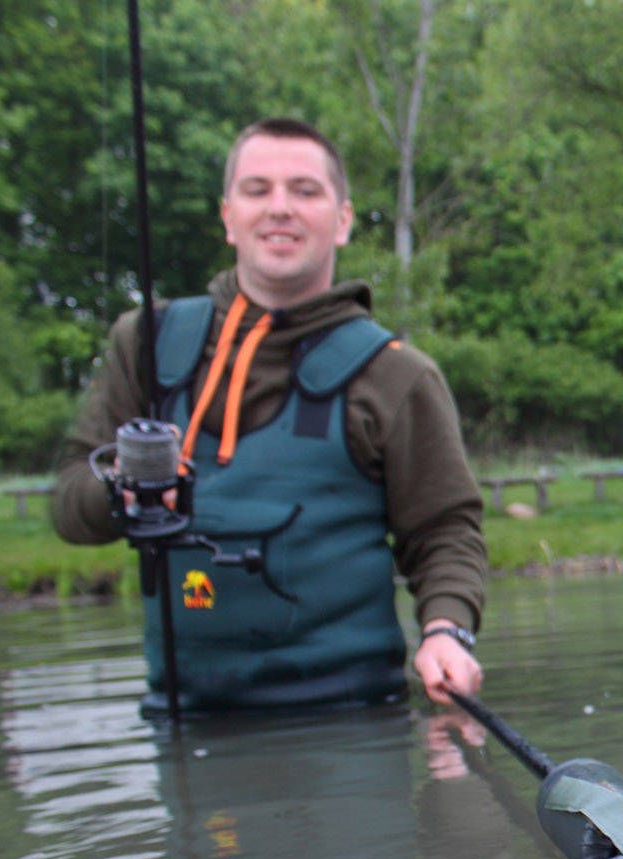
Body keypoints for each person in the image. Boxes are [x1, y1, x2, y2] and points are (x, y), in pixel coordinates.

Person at [53, 118, 485, 714]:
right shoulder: (143, 343)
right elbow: (69, 502)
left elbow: (445, 531)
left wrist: (446, 629)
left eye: (305, 191)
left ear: (343, 220)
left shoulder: (398, 375)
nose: (280, 208)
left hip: (352, 718)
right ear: (228, 216)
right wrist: (121, 495)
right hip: (183, 718)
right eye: (258, 190)